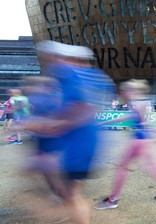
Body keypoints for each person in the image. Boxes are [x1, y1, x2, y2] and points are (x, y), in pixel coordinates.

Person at [20, 40, 115, 224]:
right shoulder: (90, 76)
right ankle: (70, 213)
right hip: (80, 142)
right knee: (71, 190)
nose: (52, 62)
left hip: (78, 145)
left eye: (54, 57)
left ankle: (73, 215)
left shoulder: (72, 75)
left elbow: (81, 109)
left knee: (71, 193)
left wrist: (51, 124)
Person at [94, 79, 156, 211]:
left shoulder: (138, 103)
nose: (123, 93)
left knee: (122, 168)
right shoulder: (145, 102)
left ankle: (112, 200)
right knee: (152, 166)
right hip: (145, 140)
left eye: (125, 90)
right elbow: (149, 119)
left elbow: (144, 120)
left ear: (133, 90)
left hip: (139, 140)